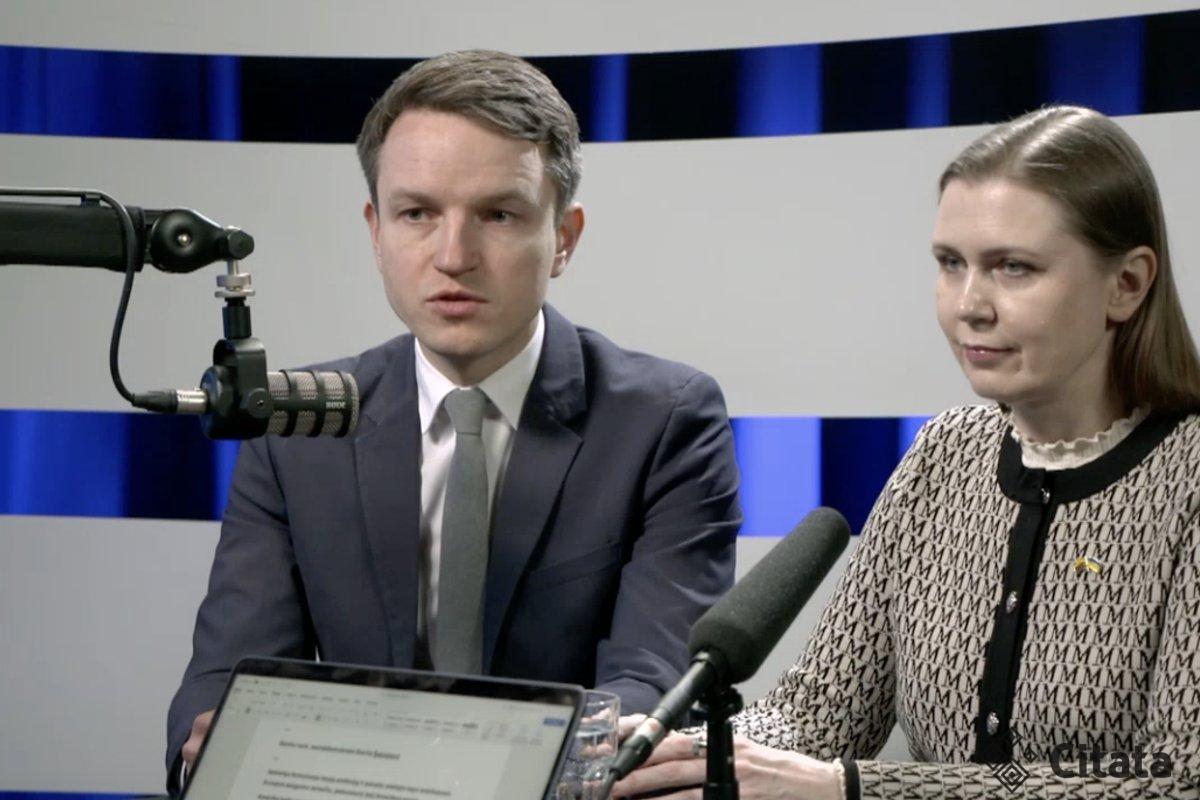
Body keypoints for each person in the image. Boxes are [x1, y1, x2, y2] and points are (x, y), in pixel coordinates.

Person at [165, 50, 741, 794]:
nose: (454, 256)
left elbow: (650, 689)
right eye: (418, 213)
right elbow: (225, 685)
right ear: (376, 232)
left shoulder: (665, 422)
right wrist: (217, 745)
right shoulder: (294, 427)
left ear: (564, 237)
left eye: (498, 215)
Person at [614, 105, 1200, 799]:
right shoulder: (943, 454)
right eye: (951, 264)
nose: (968, 305)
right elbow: (816, 717)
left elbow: (1177, 778)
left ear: (1127, 284)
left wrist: (856, 789)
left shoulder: (1189, 473)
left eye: (1013, 268)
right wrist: (682, 752)